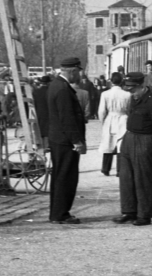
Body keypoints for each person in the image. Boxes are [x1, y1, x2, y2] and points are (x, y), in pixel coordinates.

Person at [114, 71, 152, 227]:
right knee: (126, 178)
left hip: (144, 140)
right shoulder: (134, 99)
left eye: (133, 89)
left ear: (142, 86)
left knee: (143, 180)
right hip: (129, 138)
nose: (131, 93)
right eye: (129, 90)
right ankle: (128, 211)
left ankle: (144, 215)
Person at [47, 57, 88, 224]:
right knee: (66, 177)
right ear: (71, 71)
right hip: (65, 141)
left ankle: (57, 213)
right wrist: (77, 141)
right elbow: (67, 119)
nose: (79, 75)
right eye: (78, 72)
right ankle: (61, 214)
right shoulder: (63, 89)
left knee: (59, 176)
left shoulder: (55, 85)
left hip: (58, 139)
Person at [97, 73, 132, 176]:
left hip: (110, 119)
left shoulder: (105, 94)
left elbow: (102, 111)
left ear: (111, 81)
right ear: (121, 81)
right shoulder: (127, 94)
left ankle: (105, 168)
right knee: (121, 145)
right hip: (123, 119)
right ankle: (120, 170)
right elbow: (130, 110)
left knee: (108, 143)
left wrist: (103, 122)